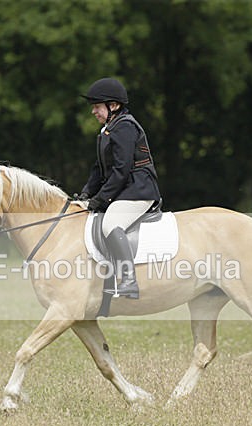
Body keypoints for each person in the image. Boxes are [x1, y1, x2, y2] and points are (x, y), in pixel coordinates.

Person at [77, 77, 161, 299]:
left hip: (138, 190)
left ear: (113, 106)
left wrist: (100, 199)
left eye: (97, 106)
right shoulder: (109, 129)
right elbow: (99, 168)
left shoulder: (125, 127)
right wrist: (86, 194)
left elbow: (121, 170)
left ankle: (129, 280)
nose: (93, 111)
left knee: (111, 223)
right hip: (125, 189)